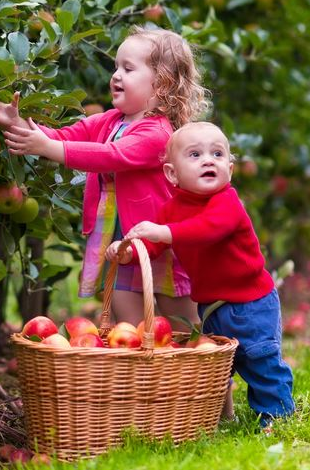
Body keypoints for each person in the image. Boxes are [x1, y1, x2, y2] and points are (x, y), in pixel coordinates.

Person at [0, 26, 210, 329]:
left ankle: (207, 375)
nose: (116, 75)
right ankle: (140, 374)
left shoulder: (158, 132)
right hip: (118, 244)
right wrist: (19, 126)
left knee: (183, 324)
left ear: (162, 83)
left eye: (128, 68)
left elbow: (112, 156)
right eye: (116, 66)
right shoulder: (108, 121)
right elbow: (61, 136)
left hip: (161, 243)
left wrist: (49, 146)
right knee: (129, 330)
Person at [107, 121, 295, 425]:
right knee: (218, 364)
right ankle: (213, 417)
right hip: (212, 307)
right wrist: (127, 251)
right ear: (171, 173)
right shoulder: (172, 209)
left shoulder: (227, 202)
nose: (208, 160)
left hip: (252, 303)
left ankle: (276, 416)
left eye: (217, 154)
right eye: (195, 155)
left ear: (230, 169)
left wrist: (163, 232)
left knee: (260, 359)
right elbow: (154, 246)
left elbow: (207, 230)